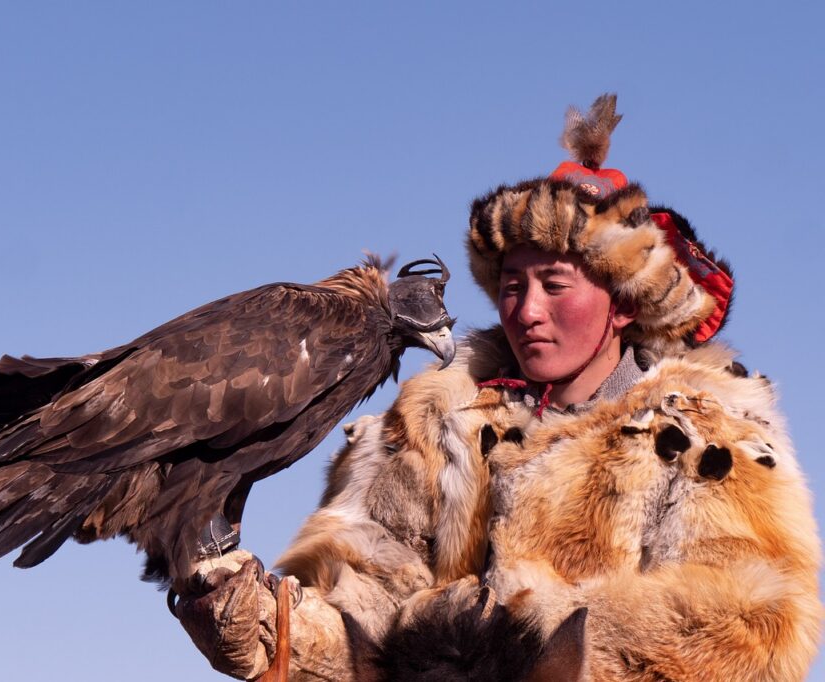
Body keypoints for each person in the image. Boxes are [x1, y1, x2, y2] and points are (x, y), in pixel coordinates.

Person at [173, 95, 822, 681]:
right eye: (513, 285)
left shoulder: (703, 436)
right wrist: (261, 622)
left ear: (623, 304)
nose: (527, 310)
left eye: (556, 286)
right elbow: (359, 617)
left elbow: (756, 631)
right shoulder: (436, 422)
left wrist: (526, 651)